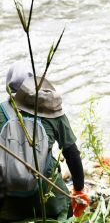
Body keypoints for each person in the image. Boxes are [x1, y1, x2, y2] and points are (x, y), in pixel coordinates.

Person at [0, 63, 89, 221]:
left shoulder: (1, 111)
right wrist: (79, 189)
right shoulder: (52, 110)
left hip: (8, 202)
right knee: (64, 213)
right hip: (50, 198)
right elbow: (72, 153)